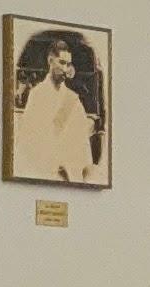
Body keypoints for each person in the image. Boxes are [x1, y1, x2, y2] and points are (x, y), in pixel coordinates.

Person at [10, 27, 106, 185]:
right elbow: (29, 140)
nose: (65, 68)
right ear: (50, 61)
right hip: (45, 169)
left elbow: (81, 141)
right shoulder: (38, 95)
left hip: (72, 171)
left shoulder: (73, 99)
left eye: (68, 64)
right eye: (61, 62)